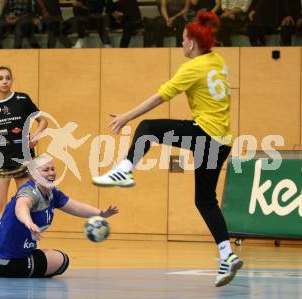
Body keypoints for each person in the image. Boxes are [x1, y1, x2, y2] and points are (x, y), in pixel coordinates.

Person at [92, 11, 242, 287]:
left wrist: (126, 116)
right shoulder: (217, 60)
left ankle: (125, 169)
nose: (181, 43)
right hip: (222, 141)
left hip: (205, 136)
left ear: (192, 44)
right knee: (205, 200)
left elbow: (159, 98)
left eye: (183, 39)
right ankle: (227, 255)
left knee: (148, 127)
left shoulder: (192, 67)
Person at [0, 156, 119, 278]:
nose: (51, 173)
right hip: (11, 261)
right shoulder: (30, 192)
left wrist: (100, 213)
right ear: (33, 174)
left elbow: (75, 206)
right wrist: (28, 221)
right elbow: (21, 206)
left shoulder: (52, 192)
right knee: (62, 260)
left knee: (9, 258)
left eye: (52, 169)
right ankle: (4, 270)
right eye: (45, 170)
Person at [0, 66, 48, 226]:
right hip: (0, 159)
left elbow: (43, 121)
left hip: (23, 158)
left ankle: (29, 244)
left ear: (11, 80)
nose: (4, 81)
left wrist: (36, 135)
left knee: (26, 204)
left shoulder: (22, 99)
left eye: (7, 78)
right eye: (0, 78)